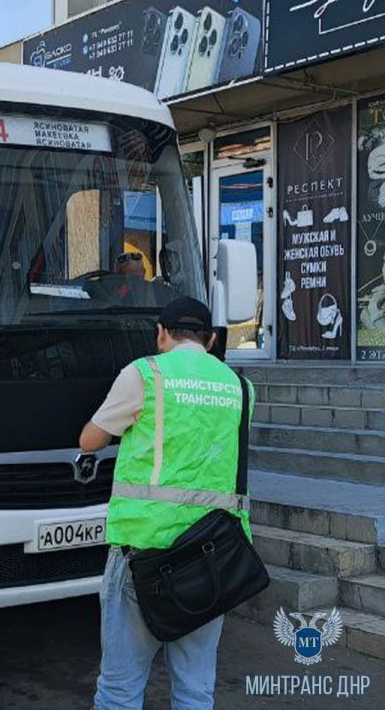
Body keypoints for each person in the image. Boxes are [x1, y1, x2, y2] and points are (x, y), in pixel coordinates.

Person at [79, 296, 252, 710]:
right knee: (195, 689)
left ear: (160, 334)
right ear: (210, 340)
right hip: (214, 558)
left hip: (144, 553)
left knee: (120, 689)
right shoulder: (240, 387)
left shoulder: (145, 374)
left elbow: (90, 441)